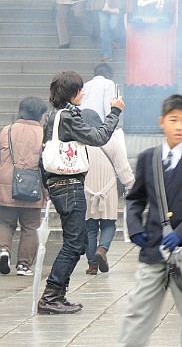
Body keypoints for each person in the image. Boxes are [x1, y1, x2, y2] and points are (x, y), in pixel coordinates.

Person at [118, 94, 182, 346]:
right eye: (173, 120)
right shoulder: (148, 158)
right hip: (153, 249)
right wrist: (134, 227)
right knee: (138, 311)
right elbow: (135, 199)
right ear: (162, 122)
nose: (178, 126)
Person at [38, 70, 124, 314]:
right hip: (69, 186)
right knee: (74, 244)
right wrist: (115, 111)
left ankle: (59, 295)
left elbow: (42, 155)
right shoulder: (67, 117)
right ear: (70, 92)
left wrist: (48, 185)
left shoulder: (54, 117)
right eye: (80, 89)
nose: (83, 93)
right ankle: (51, 295)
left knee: (78, 241)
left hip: (60, 185)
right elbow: (98, 136)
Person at [81, 108, 134, 275]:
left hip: (86, 190)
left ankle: (92, 265)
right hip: (108, 189)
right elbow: (122, 166)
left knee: (89, 228)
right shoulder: (110, 139)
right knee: (109, 224)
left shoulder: (79, 141)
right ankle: (102, 250)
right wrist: (131, 187)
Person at [0, 96, 48, 277]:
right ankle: (24, 266)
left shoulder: (7, 130)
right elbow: (46, 164)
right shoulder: (43, 134)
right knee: (31, 226)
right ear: (39, 115)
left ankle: (3, 250)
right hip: (32, 185)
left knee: (4, 222)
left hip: (6, 185)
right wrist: (47, 189)